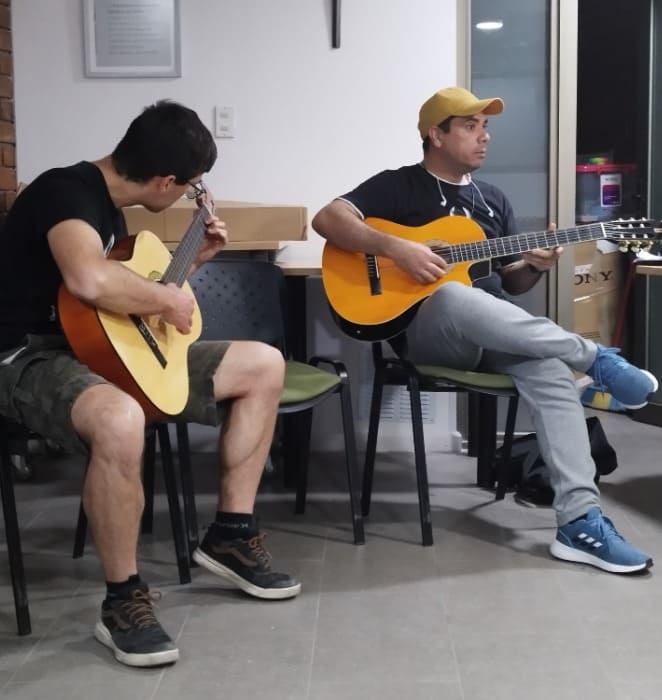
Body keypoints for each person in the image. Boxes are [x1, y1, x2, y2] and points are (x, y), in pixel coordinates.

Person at [0, 100, 300, 668]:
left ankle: (231, 534)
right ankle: (122, 601)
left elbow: (120, 309)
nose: (187, 194)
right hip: (27, 356)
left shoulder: (113, 213)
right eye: (188, 187)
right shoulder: (66, 192)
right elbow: (87, 280)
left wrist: (192, 264)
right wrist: (168, 297)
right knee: (120, 418)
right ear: (165, 181)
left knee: (264, 363)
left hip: (101, 350)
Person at [312, 86, 658, 576]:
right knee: (452, 295)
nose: (485, 137)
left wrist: (534, 266)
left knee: (549, 371)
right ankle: (595, 357)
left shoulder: (491, 201)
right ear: (436, 134)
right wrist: (398, 249)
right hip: (429, 335)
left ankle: (579, 522)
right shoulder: (399, 186)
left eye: (486, 126)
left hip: (491, 334)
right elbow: (327, 219)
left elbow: (510, 287)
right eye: (471, 126)